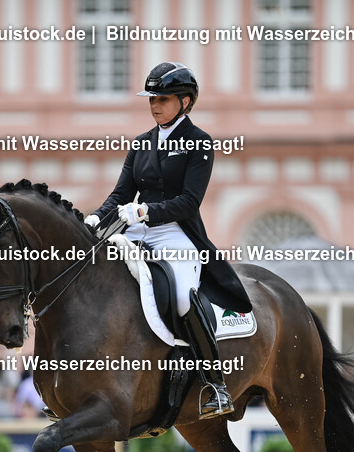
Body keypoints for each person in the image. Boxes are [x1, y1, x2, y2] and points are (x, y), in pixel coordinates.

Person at [84, 62, 252, 419]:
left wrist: (146, 212)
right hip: (134, 228)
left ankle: (214, 384)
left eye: (162, 99)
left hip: (175, 231)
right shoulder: (142, 143)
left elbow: (190, 201)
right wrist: (98, 216)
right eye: (151, 99)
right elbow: (122, 193)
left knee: (179, 298)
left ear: (184, 101)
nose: (154, 105)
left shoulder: (200, 142)